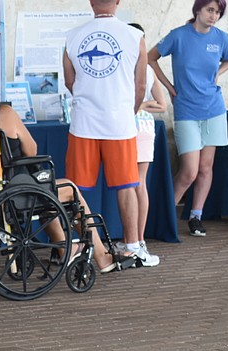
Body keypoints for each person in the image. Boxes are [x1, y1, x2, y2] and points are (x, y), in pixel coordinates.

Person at [0, 103, 128, 274]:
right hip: (9, 197)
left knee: (44, 193)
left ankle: (65, 248)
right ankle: (101, 256)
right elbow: (31, 149)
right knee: (69, 189)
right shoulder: (3, 113)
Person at [62, 0, 148, 264]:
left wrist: (88, 101)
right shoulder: (135, 36)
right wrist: (126, 111)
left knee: (74, 188)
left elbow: (69, 80)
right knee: (127, 185)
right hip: (119, 122)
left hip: (83, 123)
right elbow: (140, 84)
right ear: (118, 2)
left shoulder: (72, 36)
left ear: (90, 2)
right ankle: (133, 245)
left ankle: (79, 244)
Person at [147, 0, 228, 237]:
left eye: (218, 12)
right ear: (197, 10)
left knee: (206, 168)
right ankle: (164, 218)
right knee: (188, 171)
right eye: (210, 10)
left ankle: (196, 216)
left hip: (214, 109)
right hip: (186, 109)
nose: (214, 16)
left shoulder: (221, 38)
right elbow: (150, 58)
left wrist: (217, 74)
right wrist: (168, 87)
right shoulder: (178, 36)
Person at [129, 23, 167, 264]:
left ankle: (139, 239)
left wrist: (140, 106)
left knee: (138, 184)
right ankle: (134, 239)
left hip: (139, 129)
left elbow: (162, 105)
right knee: (131, 185)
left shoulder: (146, 70)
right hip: (128, 129)